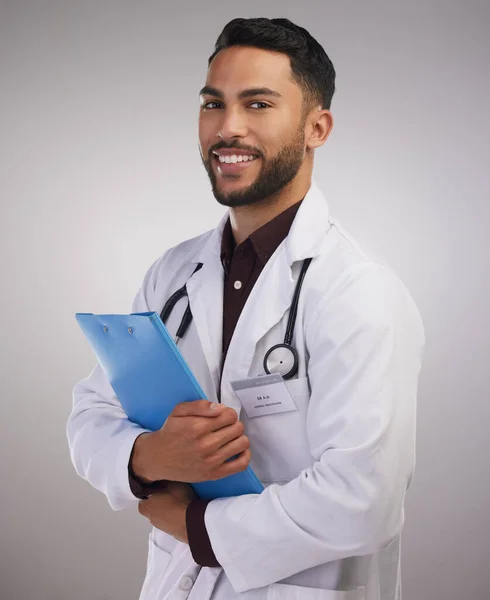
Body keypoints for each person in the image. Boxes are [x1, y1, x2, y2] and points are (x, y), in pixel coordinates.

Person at [67, 16, 425, 600]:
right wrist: (148, 455)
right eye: (214, 104)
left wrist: (195, 526)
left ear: (317, 127)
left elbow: (364, 499)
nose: (228, 128)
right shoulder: (175, 273)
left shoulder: (358, 290)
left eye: (258, 104)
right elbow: (90, 412)